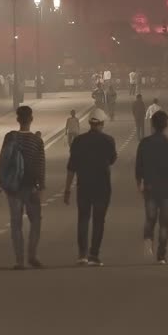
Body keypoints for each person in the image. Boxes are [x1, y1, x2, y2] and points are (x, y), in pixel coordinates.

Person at [0, 105, 46, 270]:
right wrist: (41, 186)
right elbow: (40, 165)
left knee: (16, 223)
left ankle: (19, 260)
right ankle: (32, 255)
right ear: (31, 119)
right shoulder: (37, 141)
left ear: (18, 120)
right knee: (35, 221)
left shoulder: (10, 137)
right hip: (31, 187)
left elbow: (2, 160)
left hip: (13, 187)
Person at [65, 108, 118, 266]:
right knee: (98, 220)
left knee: (83, 219)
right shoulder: (108, 140)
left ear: (89, 123)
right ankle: (94, 255)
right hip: (102, 186)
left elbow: (71, 167)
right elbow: (112, 159)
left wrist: (67, 189)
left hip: (84, 186)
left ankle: (82, 255)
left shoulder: (78, 141)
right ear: (102, 123)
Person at [136, 109, 168, 264]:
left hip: (150, 187)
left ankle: (148, 241)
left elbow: (139, 166)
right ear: (166, 125)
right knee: (164, 223)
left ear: (152, 125)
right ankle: (161, 255)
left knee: (150, 218)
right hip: (167, 189)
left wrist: (139, 184)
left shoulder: (144, 143)